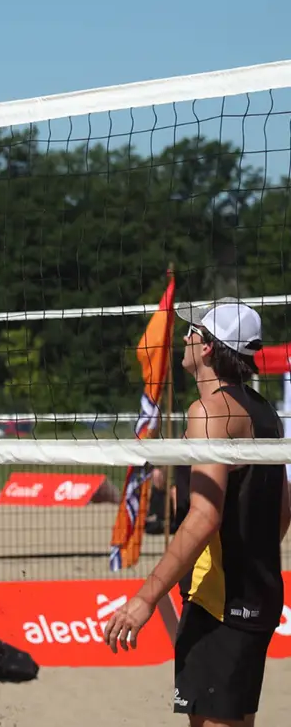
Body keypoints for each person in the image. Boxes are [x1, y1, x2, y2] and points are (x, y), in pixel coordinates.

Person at [105, 299, 290, 726]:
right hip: (258, 593)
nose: (184, 338)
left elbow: (205, 517)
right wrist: (247, 561)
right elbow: (283, 509)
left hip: (219, 602)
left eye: (192, 332)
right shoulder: (266, 412)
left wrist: (144, 599)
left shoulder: (209, 412)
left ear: (207, 348)